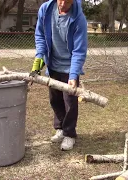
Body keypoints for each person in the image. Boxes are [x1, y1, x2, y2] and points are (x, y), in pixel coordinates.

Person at [30, 0, 88, 151]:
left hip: (69, 66)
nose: (62, 4)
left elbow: (79, 50)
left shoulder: (78, 19)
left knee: (69, 101)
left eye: (67, 2)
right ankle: (60, 129)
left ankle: (69, 134)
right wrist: (39, 58)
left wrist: (73, 75)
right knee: (54, 99)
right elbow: (40, 35)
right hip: (52, 64)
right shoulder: (46, 9)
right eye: (60, 0)